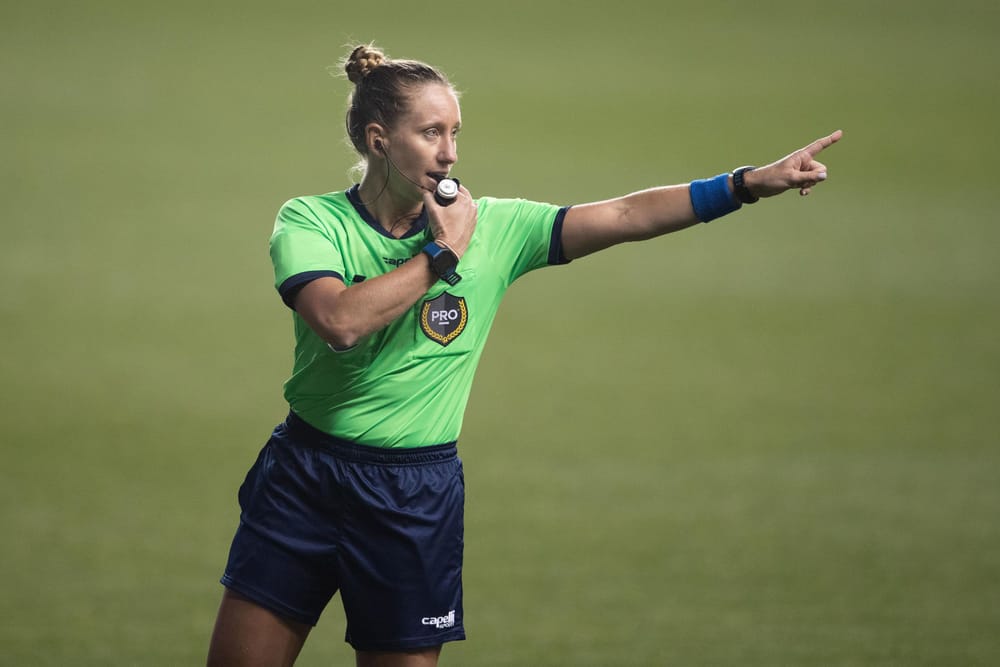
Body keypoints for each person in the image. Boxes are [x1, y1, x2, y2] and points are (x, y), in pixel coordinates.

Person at [206, 43, 842, 667]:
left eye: (455, 132)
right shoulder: (312, 222)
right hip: (305, 479)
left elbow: (624, 214)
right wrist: (441, 256)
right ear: (379, 141)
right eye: (430, 132)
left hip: (413, 495)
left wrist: (746, 184)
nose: (449, 152)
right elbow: (339, 321)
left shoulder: (498, 229)